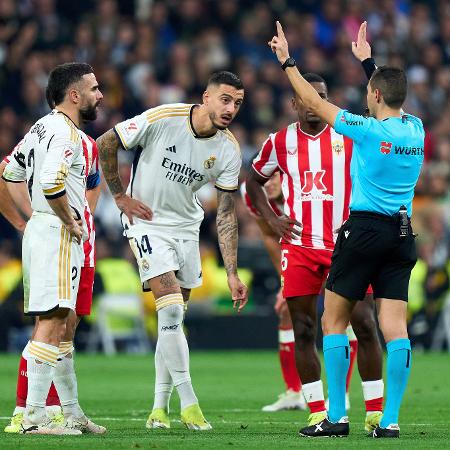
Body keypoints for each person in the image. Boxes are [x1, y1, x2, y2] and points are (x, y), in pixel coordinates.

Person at [269, 21, 425, 438]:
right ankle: (388, 421)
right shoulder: (416, 130)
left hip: (364, 232)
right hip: (403, 235)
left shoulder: (367, 130)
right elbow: (389, 96)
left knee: (333, 323)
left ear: (374, 95)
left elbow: (313, 103)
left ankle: (335, 418)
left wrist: (287, 61)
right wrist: (369, 63)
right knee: (395, 330)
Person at [96, 71, 248, 431]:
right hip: (146, 223)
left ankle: (158, 408)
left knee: (172, 321)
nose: (231, 109)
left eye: (238, 103)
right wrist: (119, 195)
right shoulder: (165, 118)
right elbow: (106, 141)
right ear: (206, 97)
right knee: (172, 308)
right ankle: (190, 402)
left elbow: (226, 214)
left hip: (186, 229)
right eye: (225, 99)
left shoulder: (228, 148)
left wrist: (231, 272)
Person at [246, 67, 383, 434]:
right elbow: (253, 178)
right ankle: (317, 412)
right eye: (307, 97)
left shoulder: (349, 133)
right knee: (305, 329)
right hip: (301, 247)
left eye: (320, 97)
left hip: (347, 246)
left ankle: (374, 411)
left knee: (365, 324)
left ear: (327, 101)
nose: (313, 103)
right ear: (294, 103)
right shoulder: (278, 142)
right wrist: (273, 219)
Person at [2, 62, 105, 435]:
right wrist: (68, 219)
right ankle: (32, 416)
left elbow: (9, 173)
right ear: (74, 95)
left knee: (58, 322)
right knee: (51, 322)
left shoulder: (40, 127)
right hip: (58, 235)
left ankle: (64, 412)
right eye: (94, 89)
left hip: (43, 232)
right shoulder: (65, 134)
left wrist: (26, 220)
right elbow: (50, 182)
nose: (100, 95)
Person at [241, 173, 305, 412]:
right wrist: (285, 281)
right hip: (297, 256)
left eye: (273, 176)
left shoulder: (301, 186)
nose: (268, 183)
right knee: (287, 311)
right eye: (264, 178)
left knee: (341, 315)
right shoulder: (252, 194)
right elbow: (269, 235)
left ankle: (344, 395)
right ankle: (294, 392)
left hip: (328, 246)